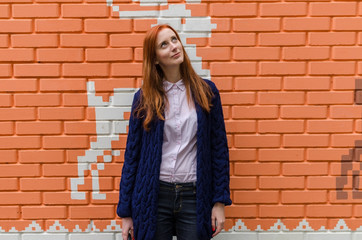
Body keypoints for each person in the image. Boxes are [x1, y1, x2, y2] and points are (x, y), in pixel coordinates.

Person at [117, 24, 232, 240]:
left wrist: (219, 202)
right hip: (154, 197)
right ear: (155, 59)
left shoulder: (207, 92)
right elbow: (132, 157)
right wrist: (126, 213)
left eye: (174, 39)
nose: (173, 46)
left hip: (194, 196)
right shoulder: (144, 100)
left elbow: (219, 150)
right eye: (164, 44)